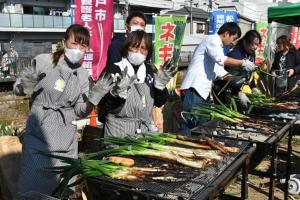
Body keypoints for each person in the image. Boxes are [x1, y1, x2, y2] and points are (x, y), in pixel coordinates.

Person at [16, 24, 115, 198]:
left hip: (66, 141)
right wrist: (25, 84)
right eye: (75, 43)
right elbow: (17, 90)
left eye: (83, 45)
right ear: (64, 42)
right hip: (38, 137)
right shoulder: (44, 61)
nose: (78, 49)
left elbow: (80, 111)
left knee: (62, 191)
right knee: (31, 190)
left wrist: (94, 98)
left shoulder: (83, 74)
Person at [180, 22, 257, 134]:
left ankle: (199, 147)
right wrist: (243, 63)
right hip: (194, 89)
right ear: (226, 34)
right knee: (189, 123)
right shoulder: (211, 39)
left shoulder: (217, 47)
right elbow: (222, 59)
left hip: (203, 92)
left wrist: (237, 83)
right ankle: (181, 147)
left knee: (203, 125)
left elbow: (219, 71)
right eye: (234, 38)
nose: (233, 42)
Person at [98, 30, 175, 136]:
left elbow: (159, 102)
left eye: (143, 48)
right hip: (117, 132)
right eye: (135, 46)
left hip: (143, 132)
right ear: (127, 48)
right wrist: (116, 96)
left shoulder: (150, 71)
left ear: (148, 52)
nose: (138, 51)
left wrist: (160, 87)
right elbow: (102, 110)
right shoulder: (113, 69)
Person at [214, 30, 262, 107]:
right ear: (245, 41)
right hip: (226, 92)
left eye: (257, 45)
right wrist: (239, 92)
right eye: (254, 44)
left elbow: (249, 73)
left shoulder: (251, 53)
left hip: (240, 90)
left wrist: (253, 87)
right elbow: (229, 77)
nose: (255, 47)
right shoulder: (235, 55)